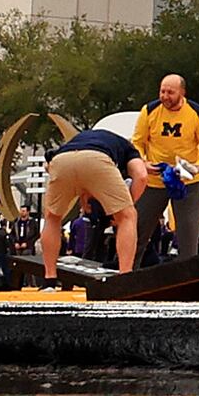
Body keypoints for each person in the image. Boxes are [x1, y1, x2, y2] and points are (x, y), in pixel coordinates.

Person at [120, 73, 199, 272]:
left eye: (170, 92)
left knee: (188, 235)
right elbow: (137, 141)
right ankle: (126, 275)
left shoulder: (197, 113)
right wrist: (142, 163)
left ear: (182, 92)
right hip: (155, 178)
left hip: (189, 181)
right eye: (162, 91)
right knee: (138, 228)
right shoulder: (149, 110)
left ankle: (186, 280)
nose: (165, 96)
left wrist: (198, 165)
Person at [31, 118, 141, 285]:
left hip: (61, 160)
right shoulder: (128, 148)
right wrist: (124, 208)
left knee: (52, 218)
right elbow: (141, 176)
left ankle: (49, 279)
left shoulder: (82, 137)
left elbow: (78, 176)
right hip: (97, 159)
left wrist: (85, 200)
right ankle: (124, 278)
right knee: (128, 216)